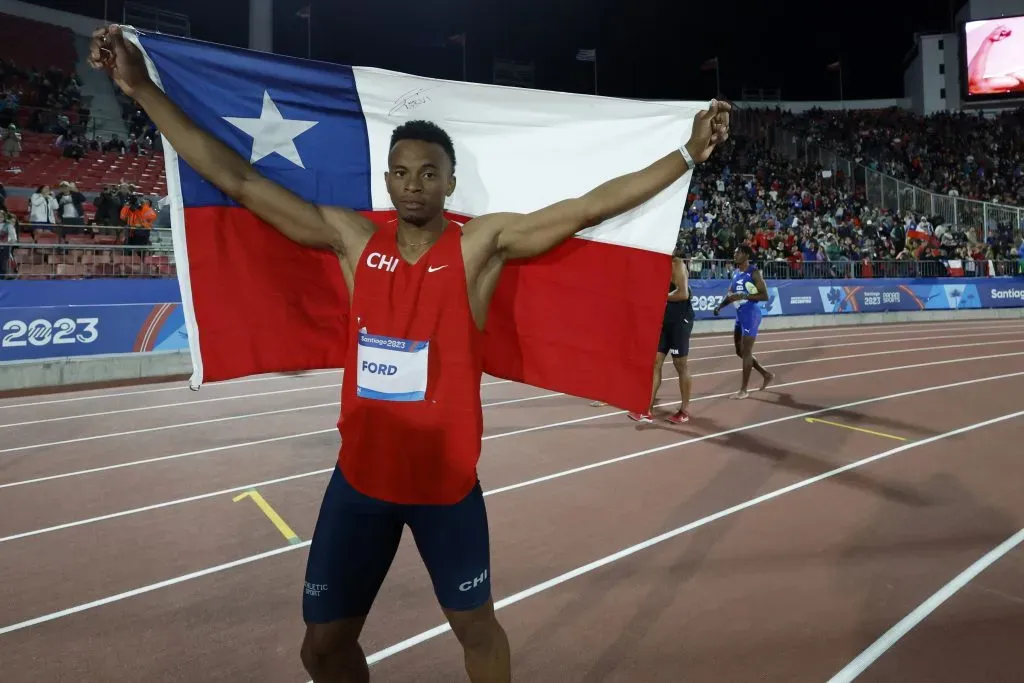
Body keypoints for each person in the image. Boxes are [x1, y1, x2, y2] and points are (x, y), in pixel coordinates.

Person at [89, 24, 730, 683]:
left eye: (428, 172)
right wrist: (140, 88)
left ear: (451, 182)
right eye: (401, 172)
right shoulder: (351, 241)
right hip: (360, 485)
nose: (413, 183)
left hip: (444, 490)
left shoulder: (480, 247)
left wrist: (687, 153)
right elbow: (239, 179)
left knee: (478, 633)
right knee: (320, 648)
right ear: (387, 179)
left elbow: (587, 206)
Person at [627, 248, 694, 423]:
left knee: (680, 364)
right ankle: (646, 409)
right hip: (663, 320)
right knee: (655, 362)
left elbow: (683, 293)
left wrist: (658, 297)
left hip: (680, 320)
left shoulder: (676, 264)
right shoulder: (655, 265)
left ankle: (684, 410)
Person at [713, 244, 774, 399]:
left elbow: (764, 296)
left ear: (746, 255)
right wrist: (720, 306)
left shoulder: (753, 273)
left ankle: (744, 390)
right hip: (740, 315)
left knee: (746, 352)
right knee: (739, 351)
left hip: (751, 314)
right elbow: (732, 295)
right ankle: (766, 374)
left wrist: (745, 296)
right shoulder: (736, 274)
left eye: (738, 252)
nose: (735, 255)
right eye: (734, 252)